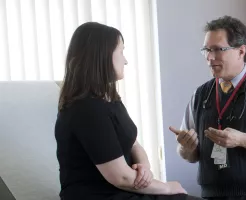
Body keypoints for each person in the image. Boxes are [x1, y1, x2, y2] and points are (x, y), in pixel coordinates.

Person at [55, 22, 203, 200]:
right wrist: (167, 187)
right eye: (121, 51)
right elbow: (121, 177)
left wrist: (144, 167)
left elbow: (133, 143)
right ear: (102, 55)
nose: (125, 60)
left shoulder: (110, 99)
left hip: (124, 192)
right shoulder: (86, 109)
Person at [169, 16, 246, 200]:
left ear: (241, 51)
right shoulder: (199, 95)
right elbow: (190, 155)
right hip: (212, 195)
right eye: (206, 50)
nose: (209, 57)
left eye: (218, 49)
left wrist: (241, 139)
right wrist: (186, 149)